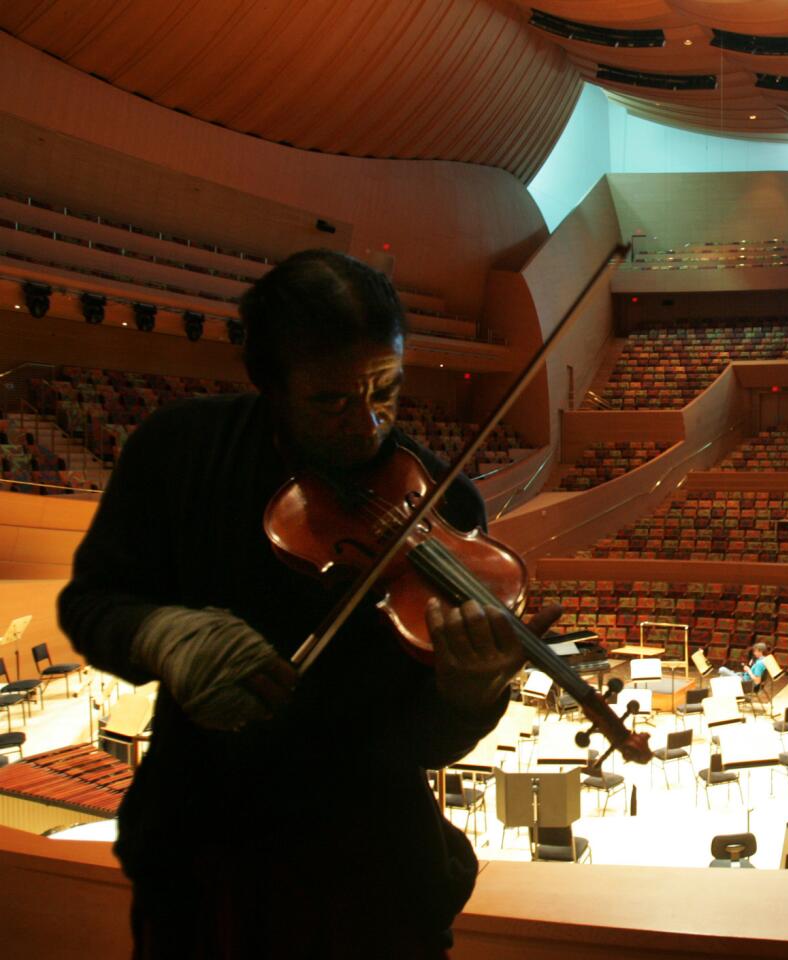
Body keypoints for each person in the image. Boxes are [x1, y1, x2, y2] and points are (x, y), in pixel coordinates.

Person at [59, 249, 559, 959]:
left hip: (372, 879)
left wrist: (468, 696)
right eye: (331, 399)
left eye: (385, 388)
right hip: (203, 866)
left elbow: (418, 745)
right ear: (266, 381)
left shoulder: (444, 502)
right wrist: (161, 633)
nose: (369, 425)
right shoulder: (176, 453)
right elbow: (94, 603)